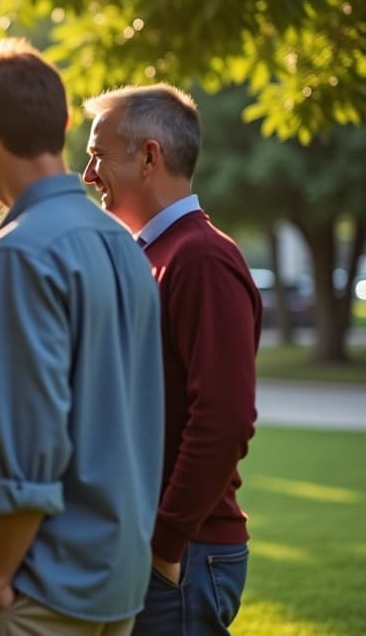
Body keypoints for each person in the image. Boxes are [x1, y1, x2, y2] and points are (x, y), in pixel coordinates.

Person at [0, 38, 164, 636]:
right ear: (63, 124)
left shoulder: (17, 252)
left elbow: (29, 442)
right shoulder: (122, 241)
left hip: (36, 585)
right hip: (116, 577)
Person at [82, 84, 260, 636]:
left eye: (97, 154)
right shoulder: (152, 254)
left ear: (149, 156)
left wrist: (164, 542)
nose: (88, 174)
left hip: (184, 555)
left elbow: (224, 417)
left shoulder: (200, 258)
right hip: (145, 545)